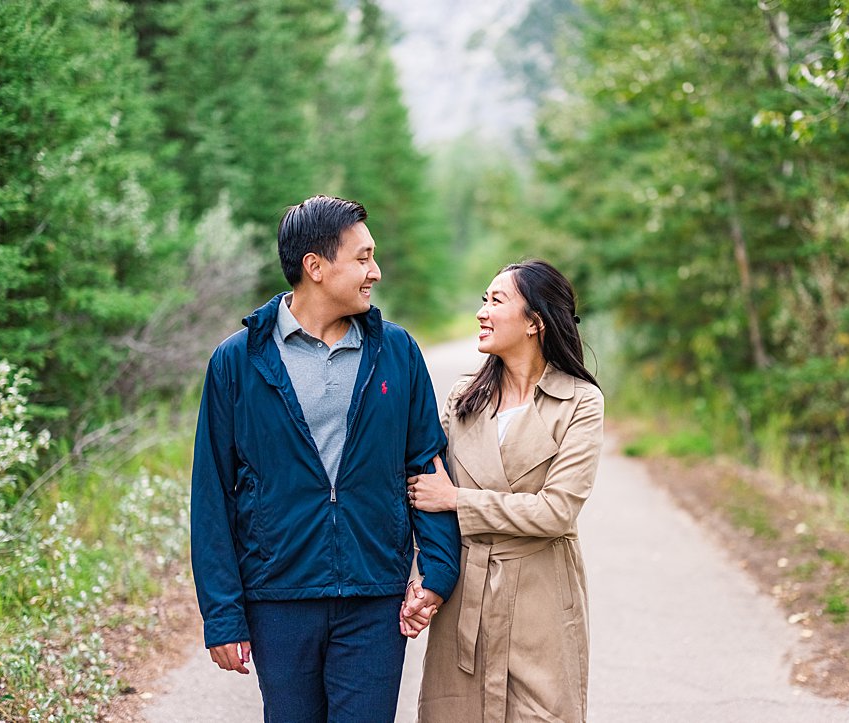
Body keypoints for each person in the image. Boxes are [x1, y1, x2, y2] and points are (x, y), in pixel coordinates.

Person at [188, 195, 461, 721]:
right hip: (279, 598)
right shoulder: (237, 361)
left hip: (374, 596)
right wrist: (222, 616)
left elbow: (426, 464)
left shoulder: (397, 351)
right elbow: (211, 493)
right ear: (314, 266)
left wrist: (436, 572)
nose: (375, 272)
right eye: (362, 258)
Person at [406, 260, 604, 722]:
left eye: (496, 301)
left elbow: (556, 512)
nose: (482, 311)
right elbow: (421, 492)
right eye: (483, 300)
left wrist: (458, 500)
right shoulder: (462, 400)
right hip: (465, 601)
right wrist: (424, 576)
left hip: (542, 602)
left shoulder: (579, 402)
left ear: (535, 322)